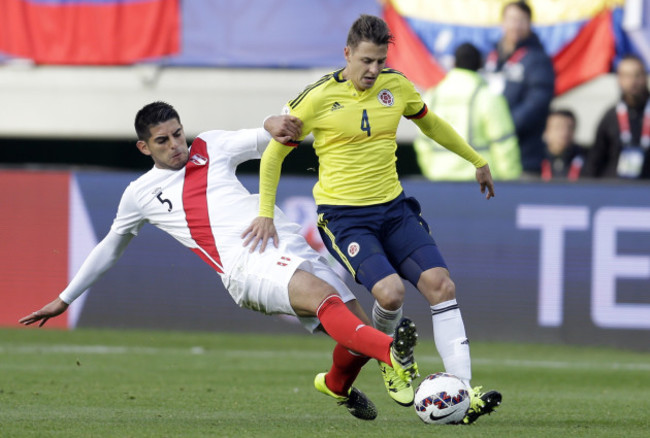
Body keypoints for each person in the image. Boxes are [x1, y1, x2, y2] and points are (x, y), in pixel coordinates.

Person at [18, 101, 421, 421]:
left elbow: (265, 137)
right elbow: (110, 245)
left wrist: (273, 122)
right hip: (244, 266)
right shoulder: (140, 193)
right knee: (326, 302)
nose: (176, 145)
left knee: (354, 333)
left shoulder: (209, 146)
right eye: (163, 140)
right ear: (144, 147)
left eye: (178, 134)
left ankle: (336, 384)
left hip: (286, 244)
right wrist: (65, 298)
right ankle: (395, 354)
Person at [243, 15, 501, 425]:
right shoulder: (317, 98)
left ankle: (464, 393)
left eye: (380, 60)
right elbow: (274, 154)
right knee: (391, 294)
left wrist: (476, 160)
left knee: (441, 285)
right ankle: (389, 358)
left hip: (394, 210)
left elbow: (430, 123)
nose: (373, 70)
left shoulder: (396, 87)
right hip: (345, 218)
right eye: (366, 60)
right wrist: (264, 213)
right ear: (347, 54)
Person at [414, 42, 521, 180]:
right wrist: (510, 180)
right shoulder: (488, 97)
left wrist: (431, 170)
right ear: (480, 65)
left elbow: (423, 143)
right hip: (479, 182)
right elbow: (503, 143)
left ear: (453, 64)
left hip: (438, 178)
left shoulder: (432, 97)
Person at [484, 0, 555, 178]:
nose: (516, 25)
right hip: (491, 158)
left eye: (521, 20)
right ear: (503, 23)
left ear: (530, 24)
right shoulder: (491, 57)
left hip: (524, 157)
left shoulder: (538, 59)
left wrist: (503, 128)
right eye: (511, 19)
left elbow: (538, 102)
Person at [582, 54, 650, 179]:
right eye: (627, 76)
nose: (633, 81)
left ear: (645, 77)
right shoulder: (611, 116)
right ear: (619, 79)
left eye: (637, 75)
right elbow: (596, 158)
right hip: (616, 190)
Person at [541, 109, 586, 181]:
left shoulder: (586, 158)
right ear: (546, 131)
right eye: (558, 128)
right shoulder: (535, 159)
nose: (564, 133)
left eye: (569, 128)